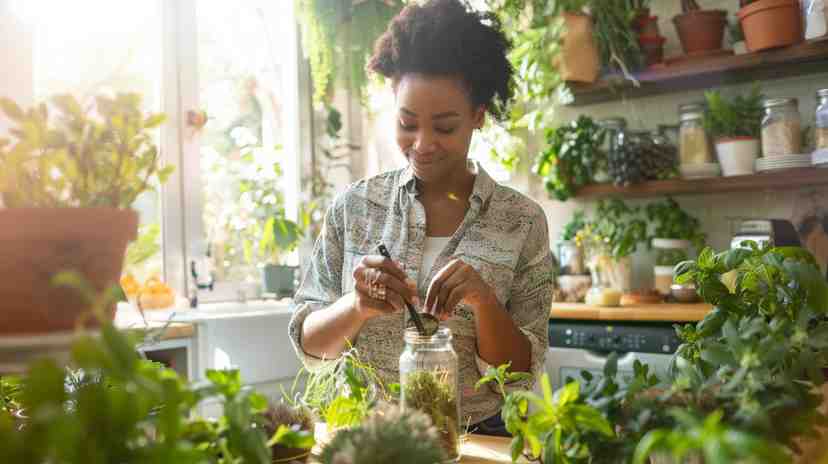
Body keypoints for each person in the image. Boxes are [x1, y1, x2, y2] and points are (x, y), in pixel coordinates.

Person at [288, 0, 554, 436]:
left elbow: (523, 371)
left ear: (478, 116)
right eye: (408, 123)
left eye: (445, 127)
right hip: (368, 436)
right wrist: (356, 307)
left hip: (479, 439)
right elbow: (310, 347)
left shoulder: (521, 221)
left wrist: (485, 302)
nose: (423, 144)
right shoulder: (354, 208)